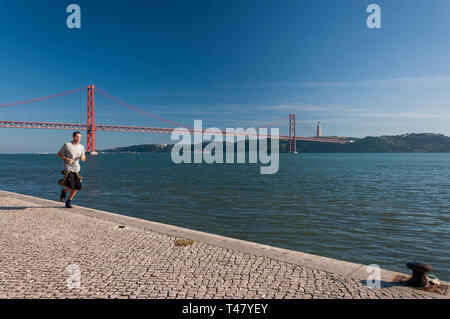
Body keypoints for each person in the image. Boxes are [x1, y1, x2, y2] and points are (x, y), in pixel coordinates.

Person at [57, 131, 86, 208]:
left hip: (77, 169)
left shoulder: (82, 147)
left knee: (76, 187)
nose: (78, 138)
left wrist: (83, 158)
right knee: (71, 185)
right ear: (73, 137)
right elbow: (59, 154)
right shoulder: (67, 145)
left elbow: (83, 157)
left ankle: (68, 201)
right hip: (68, 168)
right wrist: (66, 159)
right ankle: (64, 192)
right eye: (77, 137)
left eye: (80, 137)